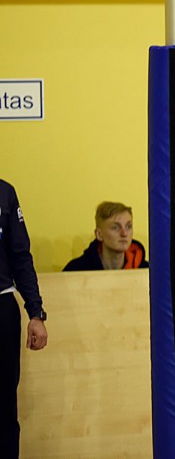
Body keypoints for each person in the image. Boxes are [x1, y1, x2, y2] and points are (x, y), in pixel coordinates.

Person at [0, 179, 48, 459]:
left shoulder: (5, 193)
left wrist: (35, 312)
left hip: (2, 305)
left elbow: (21, 257)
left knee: (4, 407)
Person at [62, 201, 148, 271]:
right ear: (99, 234)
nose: (124, 233)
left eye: (128, 226)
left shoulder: (147, 271)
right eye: (115, 227)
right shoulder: (76, 270)